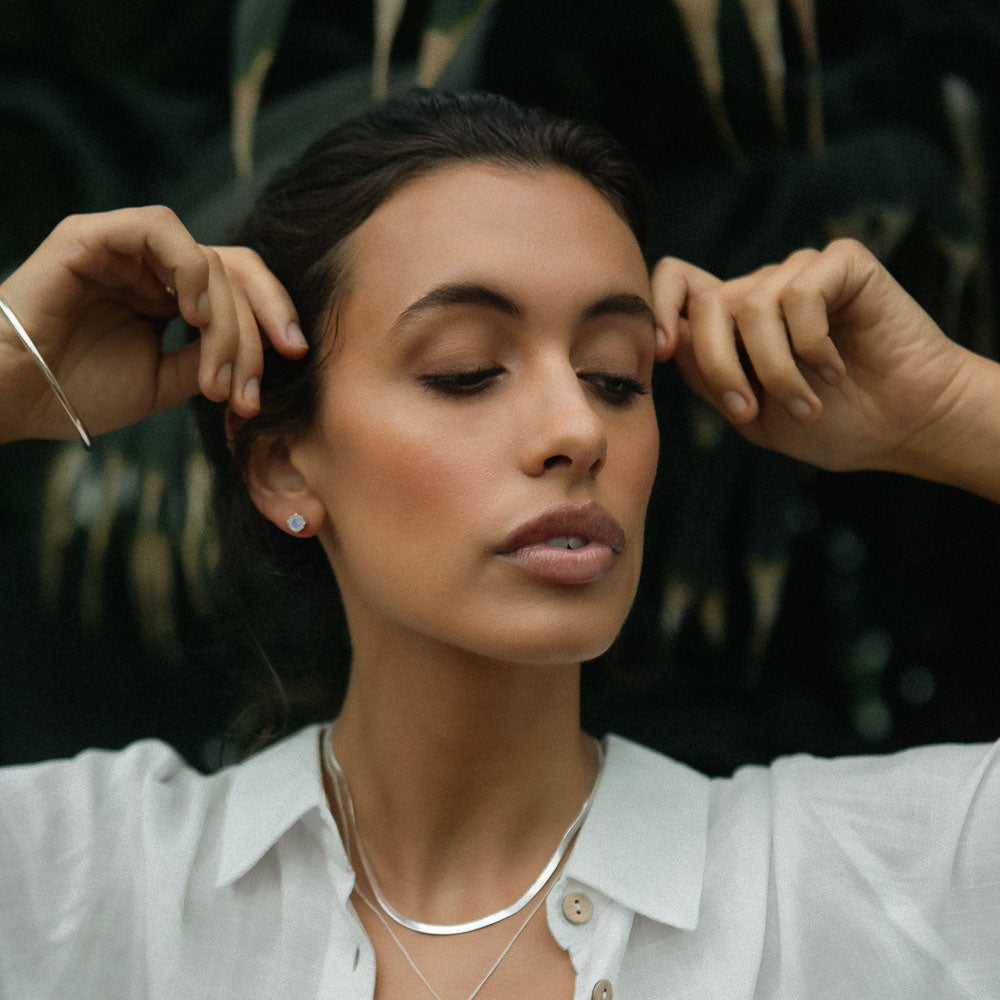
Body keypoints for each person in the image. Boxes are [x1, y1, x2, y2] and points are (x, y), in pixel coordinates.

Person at [1, 91, 998, 1000]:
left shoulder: (866, 882)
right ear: (283, 469)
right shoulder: (85, 885)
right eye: (468, 370)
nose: (578, 429)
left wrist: (947, 409)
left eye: (614, 375)